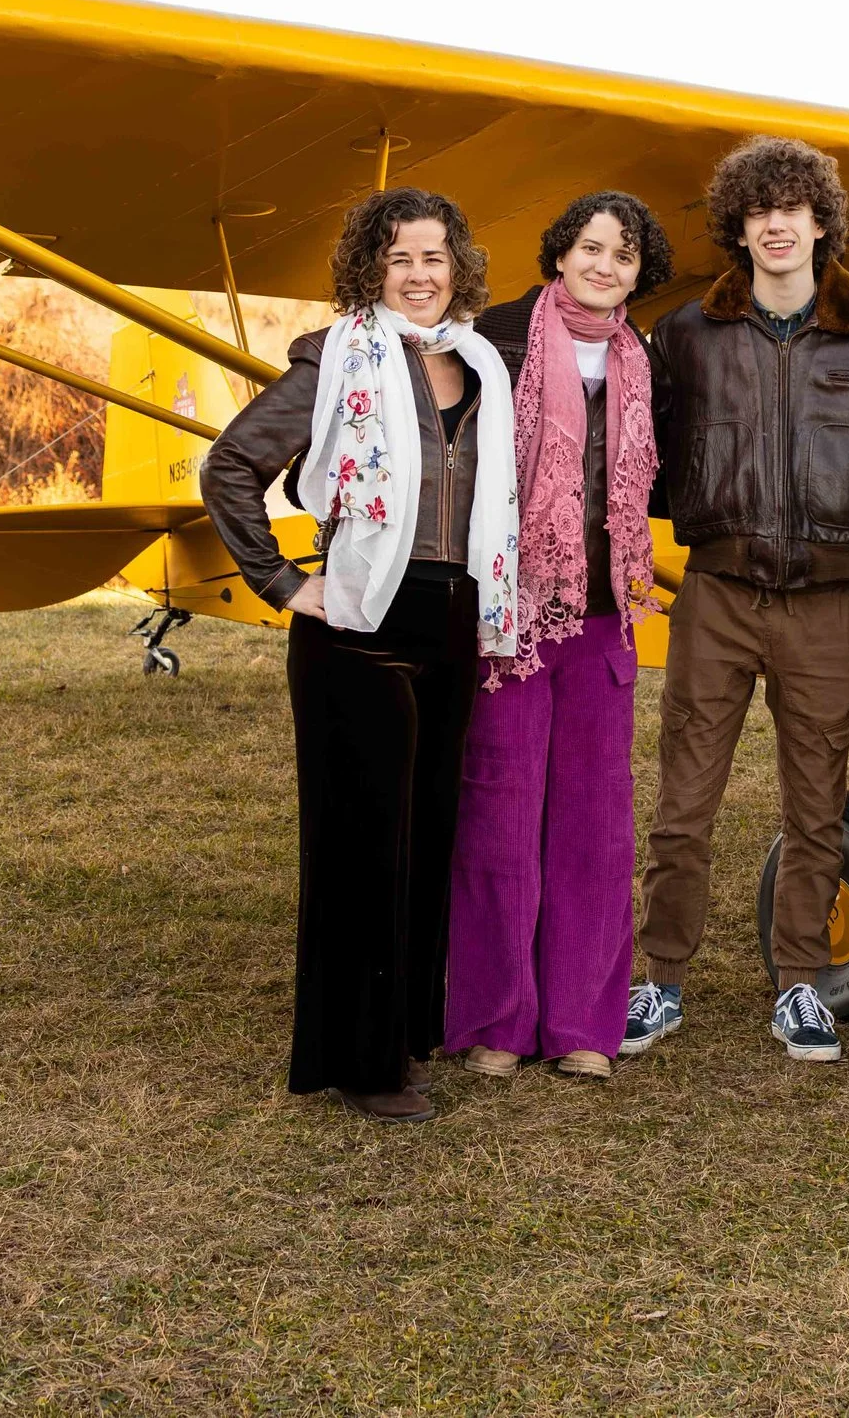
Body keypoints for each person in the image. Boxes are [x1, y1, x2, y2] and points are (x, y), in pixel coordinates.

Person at [201, 187, 518, 1123]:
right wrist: (283, 582)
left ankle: (405, 1032)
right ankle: (359, 1060)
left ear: (457, 265)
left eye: (434, 257)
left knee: (425, 840)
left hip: (455, 619)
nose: (420, 276)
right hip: (358, 629)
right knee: (362, 849)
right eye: (399, 260)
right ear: (369, 271)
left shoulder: (479, 364)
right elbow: (229, 466)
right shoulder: (339, 358)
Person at [625, 136, 849, 1062]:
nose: (778, 224)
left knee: (815, 804)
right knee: (684, 800)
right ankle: (659, 976)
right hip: (716, 590)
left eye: (794, 208)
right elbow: (653, 462)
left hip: (827, 598)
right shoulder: (684, 334)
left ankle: (800, 982)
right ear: (738, 226)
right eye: (759, 211)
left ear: (822, 220)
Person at [441, 192, 671, 1081]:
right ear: (560, 254)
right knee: (499, 811)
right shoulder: (494, 339)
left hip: (606, 609)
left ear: (638, 271)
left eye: (623, 253)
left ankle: (582, 1023)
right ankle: (496, 1020)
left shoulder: (642, 358)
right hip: (514, 608)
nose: (604, 264)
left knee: (596, 822)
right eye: (590, 247)